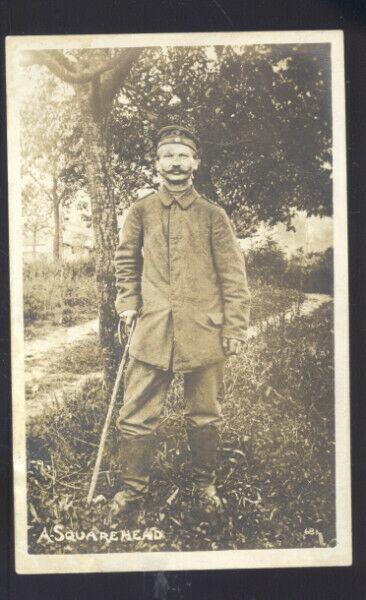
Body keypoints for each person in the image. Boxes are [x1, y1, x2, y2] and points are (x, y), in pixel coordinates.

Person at [110, 125, 251, 518]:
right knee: (136, 415)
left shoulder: (213, 215)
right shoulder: (140, 212)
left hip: (204, 334)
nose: (176, 162)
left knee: (205, 415)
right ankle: (131, 491)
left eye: (183, 155)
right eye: (168, 154)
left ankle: (204, 484)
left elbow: (233, 276)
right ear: (156, 163)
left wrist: (235, 326)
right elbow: (125, 263)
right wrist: (128, 305)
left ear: (196, 163)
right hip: (151, 331)